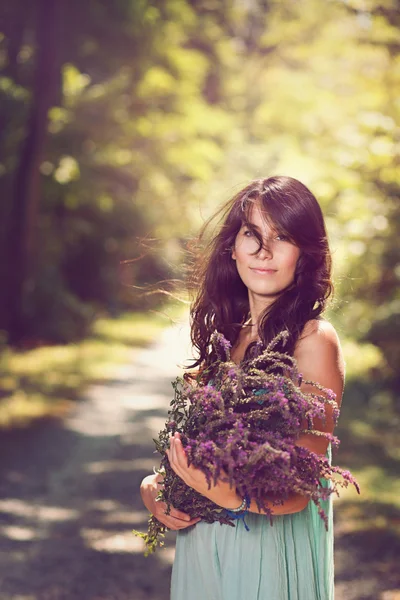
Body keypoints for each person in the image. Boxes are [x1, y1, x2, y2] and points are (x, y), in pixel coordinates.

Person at [140, 175, 345, 600]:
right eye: (252, 234)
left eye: (282, 237)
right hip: (203, 548)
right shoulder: (228, 339)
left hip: (266, 556)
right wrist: (157, 486)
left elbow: (299, 489)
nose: (263, 252)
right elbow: (206, 455)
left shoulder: (313, 339)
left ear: (305, 253)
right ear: (232, 246)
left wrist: (219, 492)